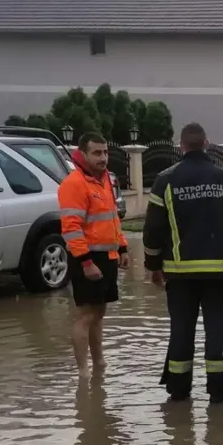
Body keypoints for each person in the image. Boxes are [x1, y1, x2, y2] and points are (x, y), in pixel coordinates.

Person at [142, 122, 223, 404]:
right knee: (218, 331)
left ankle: (178, 390)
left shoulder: (164, 181)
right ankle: (220, 391)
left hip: (180, 276)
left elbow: (152, 231)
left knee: (181, 330)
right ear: (206, 144)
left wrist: (153, 266)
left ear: (180, 146)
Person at [58, 132, 130, 380]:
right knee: (86, 314)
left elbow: (112, 219)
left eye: (105, 152)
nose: (103, 158)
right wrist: (86, 263)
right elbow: (71, 228)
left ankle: (99, 363)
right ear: (83, 154)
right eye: (97, 153)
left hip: (107, 257)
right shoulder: (74, 184)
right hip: (87, 259)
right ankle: (83, 371)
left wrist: (122, 248)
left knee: (99, 313)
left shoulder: (105, 181)